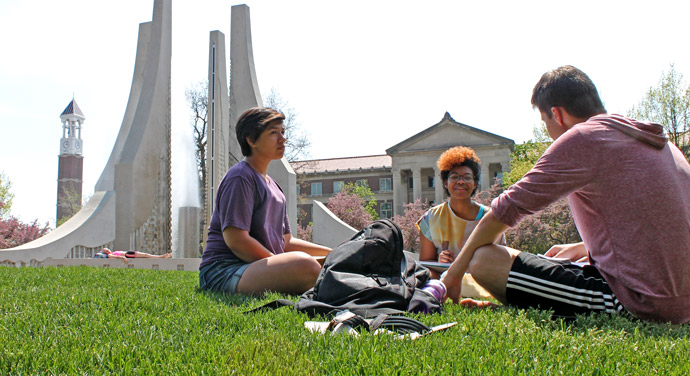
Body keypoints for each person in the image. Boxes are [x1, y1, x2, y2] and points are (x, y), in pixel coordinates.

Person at [441, 65, 690, 324]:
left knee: (484, 260)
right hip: (684, 302)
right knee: (564, 259)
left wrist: (454, 275)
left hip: (643, 303)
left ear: (557, 115)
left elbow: (504, 211)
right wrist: (583, 248)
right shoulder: (661, 144)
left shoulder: (585, 138)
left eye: (545, 122)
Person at [199, 107, 331, 296]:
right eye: (273, 133)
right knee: (305, 266)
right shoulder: (240, 177)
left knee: (330, 261)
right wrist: (280, 264)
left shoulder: (275, 187)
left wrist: (333, 253)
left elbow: (286, 242)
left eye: (283, 132)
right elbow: (236, 240)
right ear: (251, 140)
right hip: (223, 272)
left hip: (255, 268)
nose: (282, 139)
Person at [416, 146, 503, 280]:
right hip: (446, 281)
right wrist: (440, 263)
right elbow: (426, 266)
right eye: (454, 177)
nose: (461, 181)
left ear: (475, 184)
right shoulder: (431, 218)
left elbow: (501, 262)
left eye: (467, 177)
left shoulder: (491, 218)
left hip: (484, 282)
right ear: (446, 183)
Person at [94, 248, 172, 259]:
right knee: (145, 255)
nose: (108, 249)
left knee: (145, 254)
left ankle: (161, 256)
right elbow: (116, 257)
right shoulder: (110, 255)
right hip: (127, 255)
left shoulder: (113, 252)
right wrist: (123, 258)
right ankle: (161, 257)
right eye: (106, 250)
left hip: (128, 253)